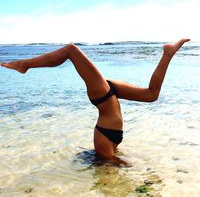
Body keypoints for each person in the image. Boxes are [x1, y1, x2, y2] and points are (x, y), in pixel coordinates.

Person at [0, 39, 190, 166]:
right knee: (151, 95)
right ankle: (167, 55)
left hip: (104, 97)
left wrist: (126, 164)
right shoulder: (106, 145)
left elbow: (111, 159)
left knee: (71, 50)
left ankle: (24, 64)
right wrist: (130, 165)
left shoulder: (102, 148)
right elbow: (113, 158)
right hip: (108, 98)